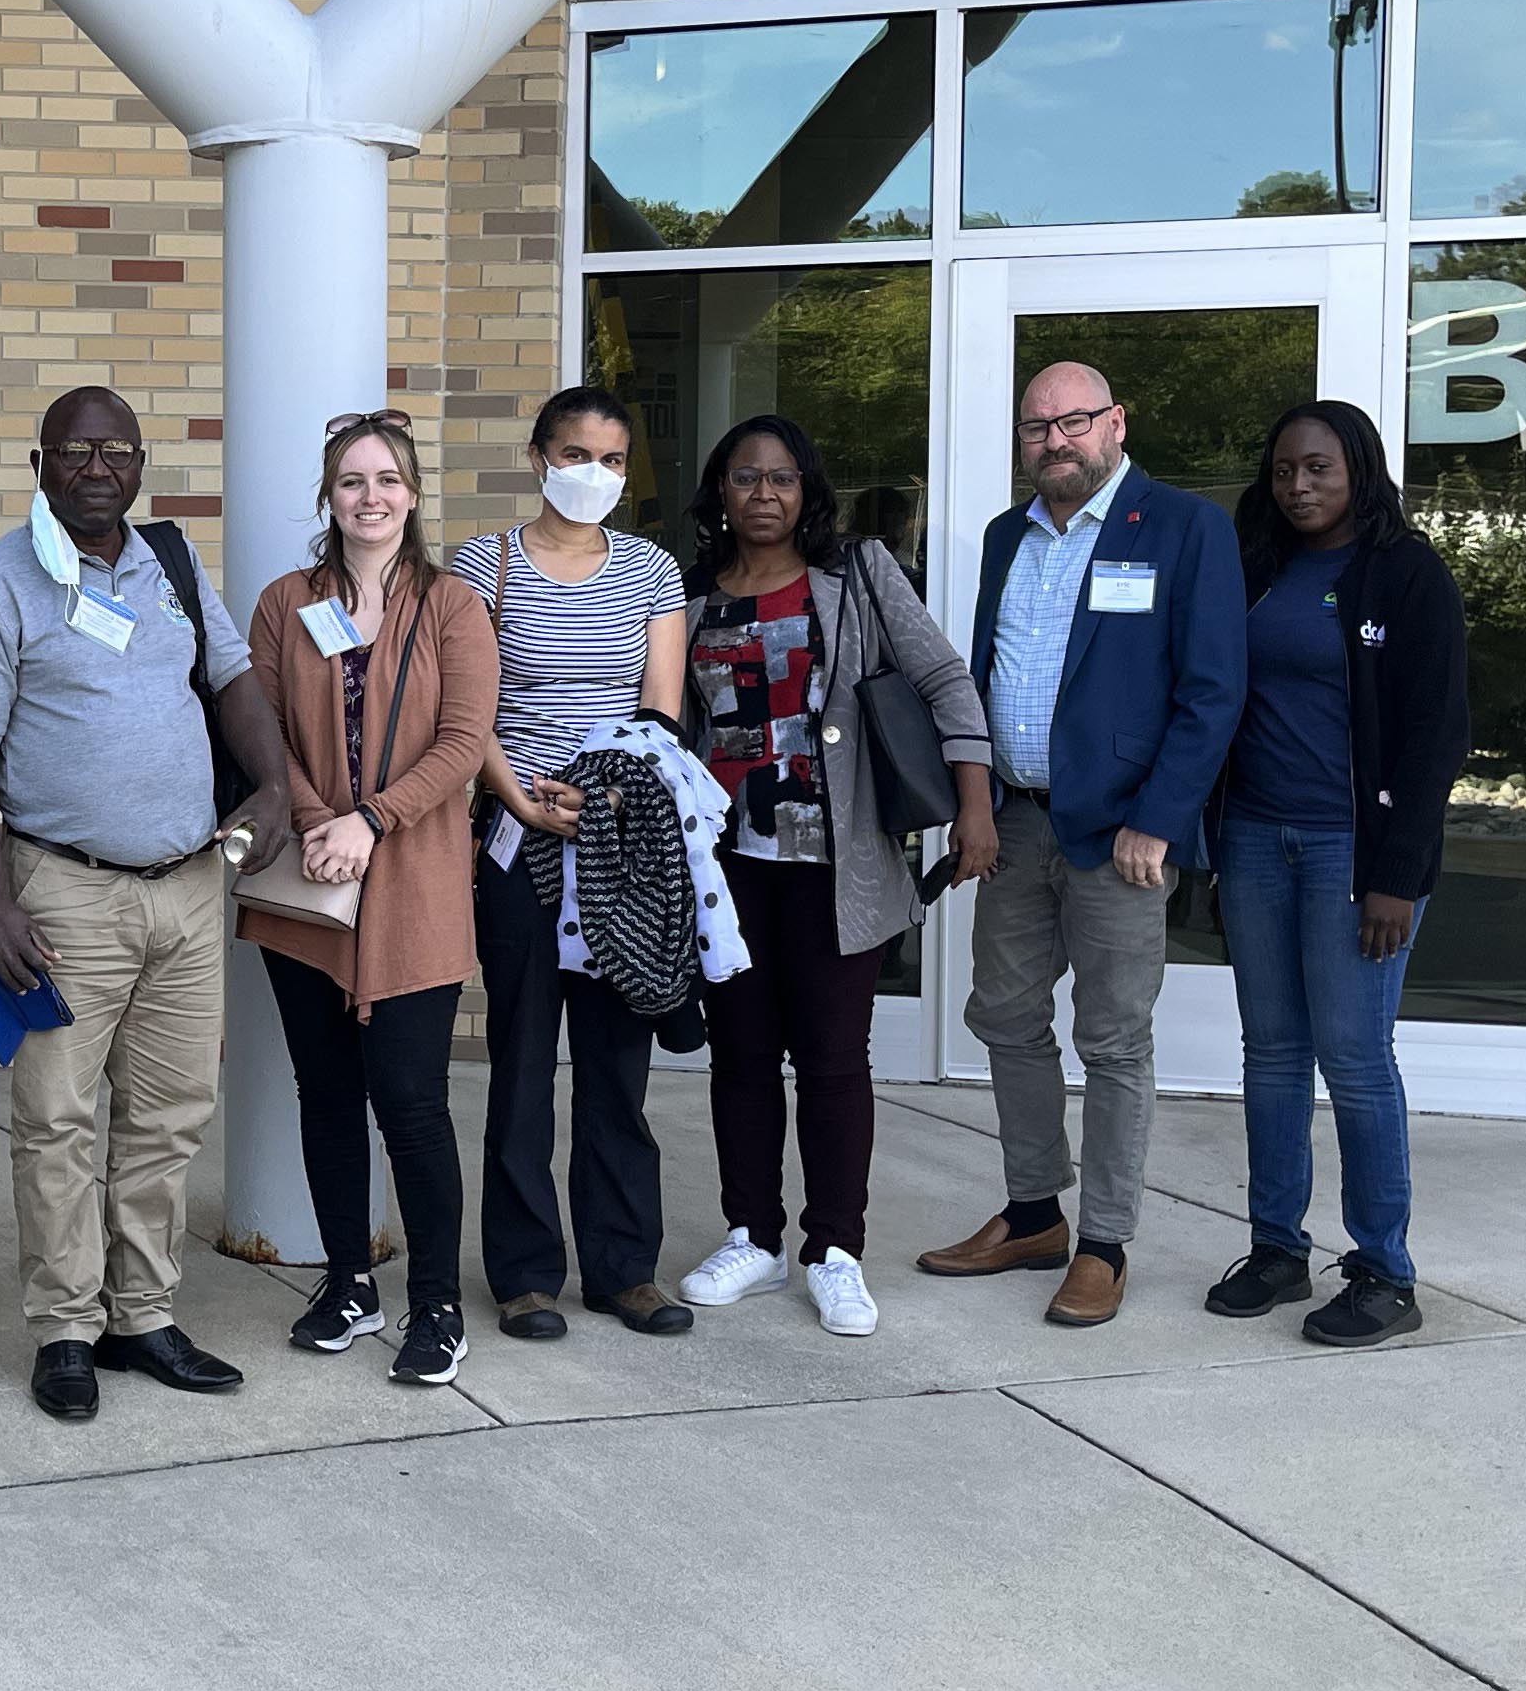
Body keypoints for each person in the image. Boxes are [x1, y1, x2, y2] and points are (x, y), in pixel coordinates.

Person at [0, 385, 293, 1421]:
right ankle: (64, 1328)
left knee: (170, 1116)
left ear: (140, 465)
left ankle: (143, 1313)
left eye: (117, 450)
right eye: (75, 450)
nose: (97, 466)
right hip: (63, 892)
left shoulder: (170, 568)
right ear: (39, 464)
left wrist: (272, 787)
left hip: (186, 886)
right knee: (56, 1119)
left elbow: (232, 683)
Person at [919, 361, 1244, 1327]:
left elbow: (1212, 690)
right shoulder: (1002, 538)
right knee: (1006, 1019)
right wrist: (970, 804)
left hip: (1119, 837)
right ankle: (1032, 1215)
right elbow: (978, 678)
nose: (1054, 441)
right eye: (1035, 427)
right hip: (1014, 821)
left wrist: (1161, 817)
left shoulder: (1184, 528)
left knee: (1112, 1041)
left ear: (1116, 422)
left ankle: (1102, 1241)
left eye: (1073, 422)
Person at [669, 417, 1000, 1336]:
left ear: (809, 491)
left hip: (836, 863)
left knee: (830, 1059)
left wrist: (974, 805)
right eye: (745, 478)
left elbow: (944, 679)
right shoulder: (689, 590)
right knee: (739, 1059)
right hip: (727, 865)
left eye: (783, 478)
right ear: (720, 492)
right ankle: (753, 1237)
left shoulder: (857, 575)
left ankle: (835, 1248)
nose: (765, 494)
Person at [238, 412, 496, 1387]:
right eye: (352, 481)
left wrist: (371, 822)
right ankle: (349, 1280)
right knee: (328, 1094)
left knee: (411, 1102)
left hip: (416, 883)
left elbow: (464, 739)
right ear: (328, 498)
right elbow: (262, 731)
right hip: (308, 887)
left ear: (414, 494)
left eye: (388, 479)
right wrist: (317, 822)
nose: (371, 497)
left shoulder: (453, 607)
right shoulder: (284, 604)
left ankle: (436, 1301)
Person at [1204, 400, 1469, 1346]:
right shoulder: (1259, 569)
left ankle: (1384, 1273)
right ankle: (1277, 1249)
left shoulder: (1405, 575)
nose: (1299, 486)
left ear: (1358, 468)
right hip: (1256, 843)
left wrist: (1398, 875)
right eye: (1284, 471)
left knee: (1356, 1062)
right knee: (1271, 1056)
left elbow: (1437, 737)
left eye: (1318, 468)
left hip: (1352, 857)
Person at [450, 385, 695, 1341]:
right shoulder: (484, 566)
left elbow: (661, 713)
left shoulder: (651, 572)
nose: (592, 475)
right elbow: (465, 711)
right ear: (538, 456)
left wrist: (606, 799)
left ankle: (625, 1267)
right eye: (574, 454)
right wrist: (515, 795)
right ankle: (523, 1274)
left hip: (620, 839)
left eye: (612, 460)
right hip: (518, 843)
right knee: (520, 1065)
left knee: (615, 1063)